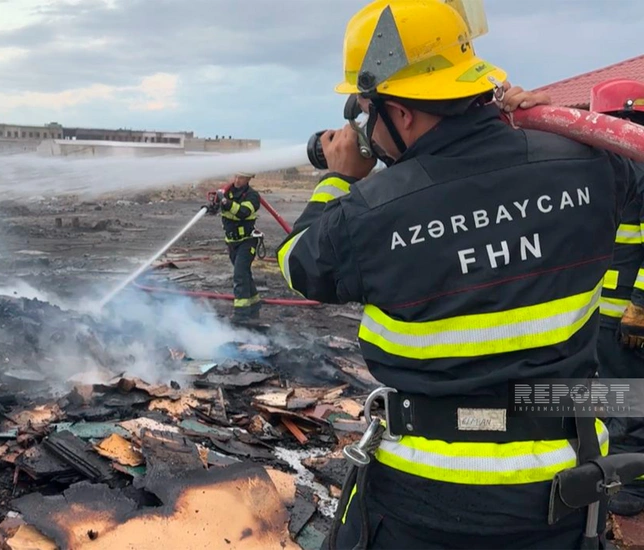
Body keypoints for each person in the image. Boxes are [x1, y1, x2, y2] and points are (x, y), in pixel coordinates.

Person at [275, 0, 644, 548]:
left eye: (368, 111)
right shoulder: (593, 166)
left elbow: (299, 265)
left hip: (424, 499)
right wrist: (565, 131)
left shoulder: (369, 212)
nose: (366, 127)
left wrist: (338, 178)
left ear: (402, 113)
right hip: (562, 492)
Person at [590, 78, 644, 517]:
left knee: (631, 403)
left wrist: (639, 308)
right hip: (608, 315)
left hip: (629, 317)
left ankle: (633, 488)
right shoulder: (613, 171)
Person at [208, 172, 262, 322]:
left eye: (242, 178)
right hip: (232, 242)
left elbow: (243, 212)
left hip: (247, 241)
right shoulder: (227, 191)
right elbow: (218, 207)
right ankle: (254, 308)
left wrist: (225, 202)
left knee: (239, 275)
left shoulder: (252, 196)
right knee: (244, 274)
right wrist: (212, 207)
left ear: (248, 179)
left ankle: (241, 314)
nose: (237, 180)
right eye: (236, 176)